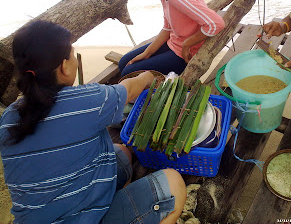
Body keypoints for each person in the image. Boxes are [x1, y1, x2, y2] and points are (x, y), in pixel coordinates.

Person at [0, 20, 186, 223]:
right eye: (72, 54)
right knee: (174, 182)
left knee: (121, 152)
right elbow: (130, 88)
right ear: (64, 67)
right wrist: (148, 76)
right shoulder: (87, 100)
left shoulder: (8, 117)